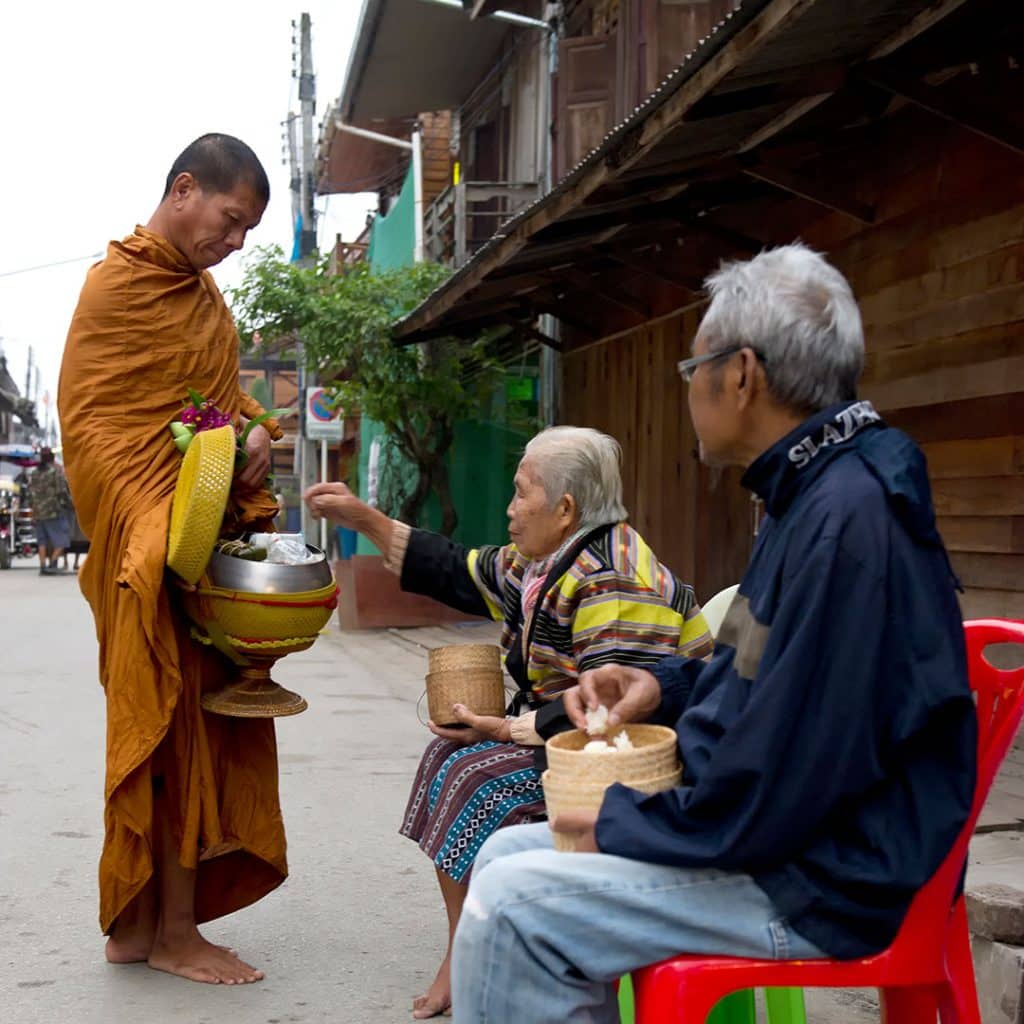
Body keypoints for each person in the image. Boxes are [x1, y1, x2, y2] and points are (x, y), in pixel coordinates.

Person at [447, 244, 978, 1023]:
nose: (690, 386)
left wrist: (631, 819)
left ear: (742, 374)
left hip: (826, 874)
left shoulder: (846, 521)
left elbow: (782, 780)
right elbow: (763, 664)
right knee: (503, 857)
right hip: (793, 839)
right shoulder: (811, 493)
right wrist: (664, 684)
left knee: (514, 906)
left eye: (693, 366)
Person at [305, 426, 712, 1018]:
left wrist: (506, 729)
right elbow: (456, 570)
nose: (509, 508)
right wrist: (362, 517)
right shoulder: (545, 561)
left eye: (522, 493)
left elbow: (605, 720)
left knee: (480, 779)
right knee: (447, 757)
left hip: (645, 767)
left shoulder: (615, 576)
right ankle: (462, 945)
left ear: (565, 508)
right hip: (571, 735)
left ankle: (472, 951)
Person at [58, 134, 286, 985]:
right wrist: (159, 519)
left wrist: (255, 434)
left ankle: (148, 923)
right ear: (184, 189)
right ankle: (169, 931)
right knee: (162, 724)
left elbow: (224, 410)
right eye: (229, 222)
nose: (231, 245)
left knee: (194, 723)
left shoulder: (208, 307)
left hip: (194, 539)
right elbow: (93, 431)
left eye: (244, 235)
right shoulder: (116, 286)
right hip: (144, 544)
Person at [29, 447, 72, 575]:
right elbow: (62, 491)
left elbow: (31, 491)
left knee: (41, 540)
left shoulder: (35, 473)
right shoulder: (55, 472)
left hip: (38, 512)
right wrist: (69, 503)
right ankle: (52, 564)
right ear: (52, 458)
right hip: (53, 511)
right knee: (63, 540)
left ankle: (42, 566)